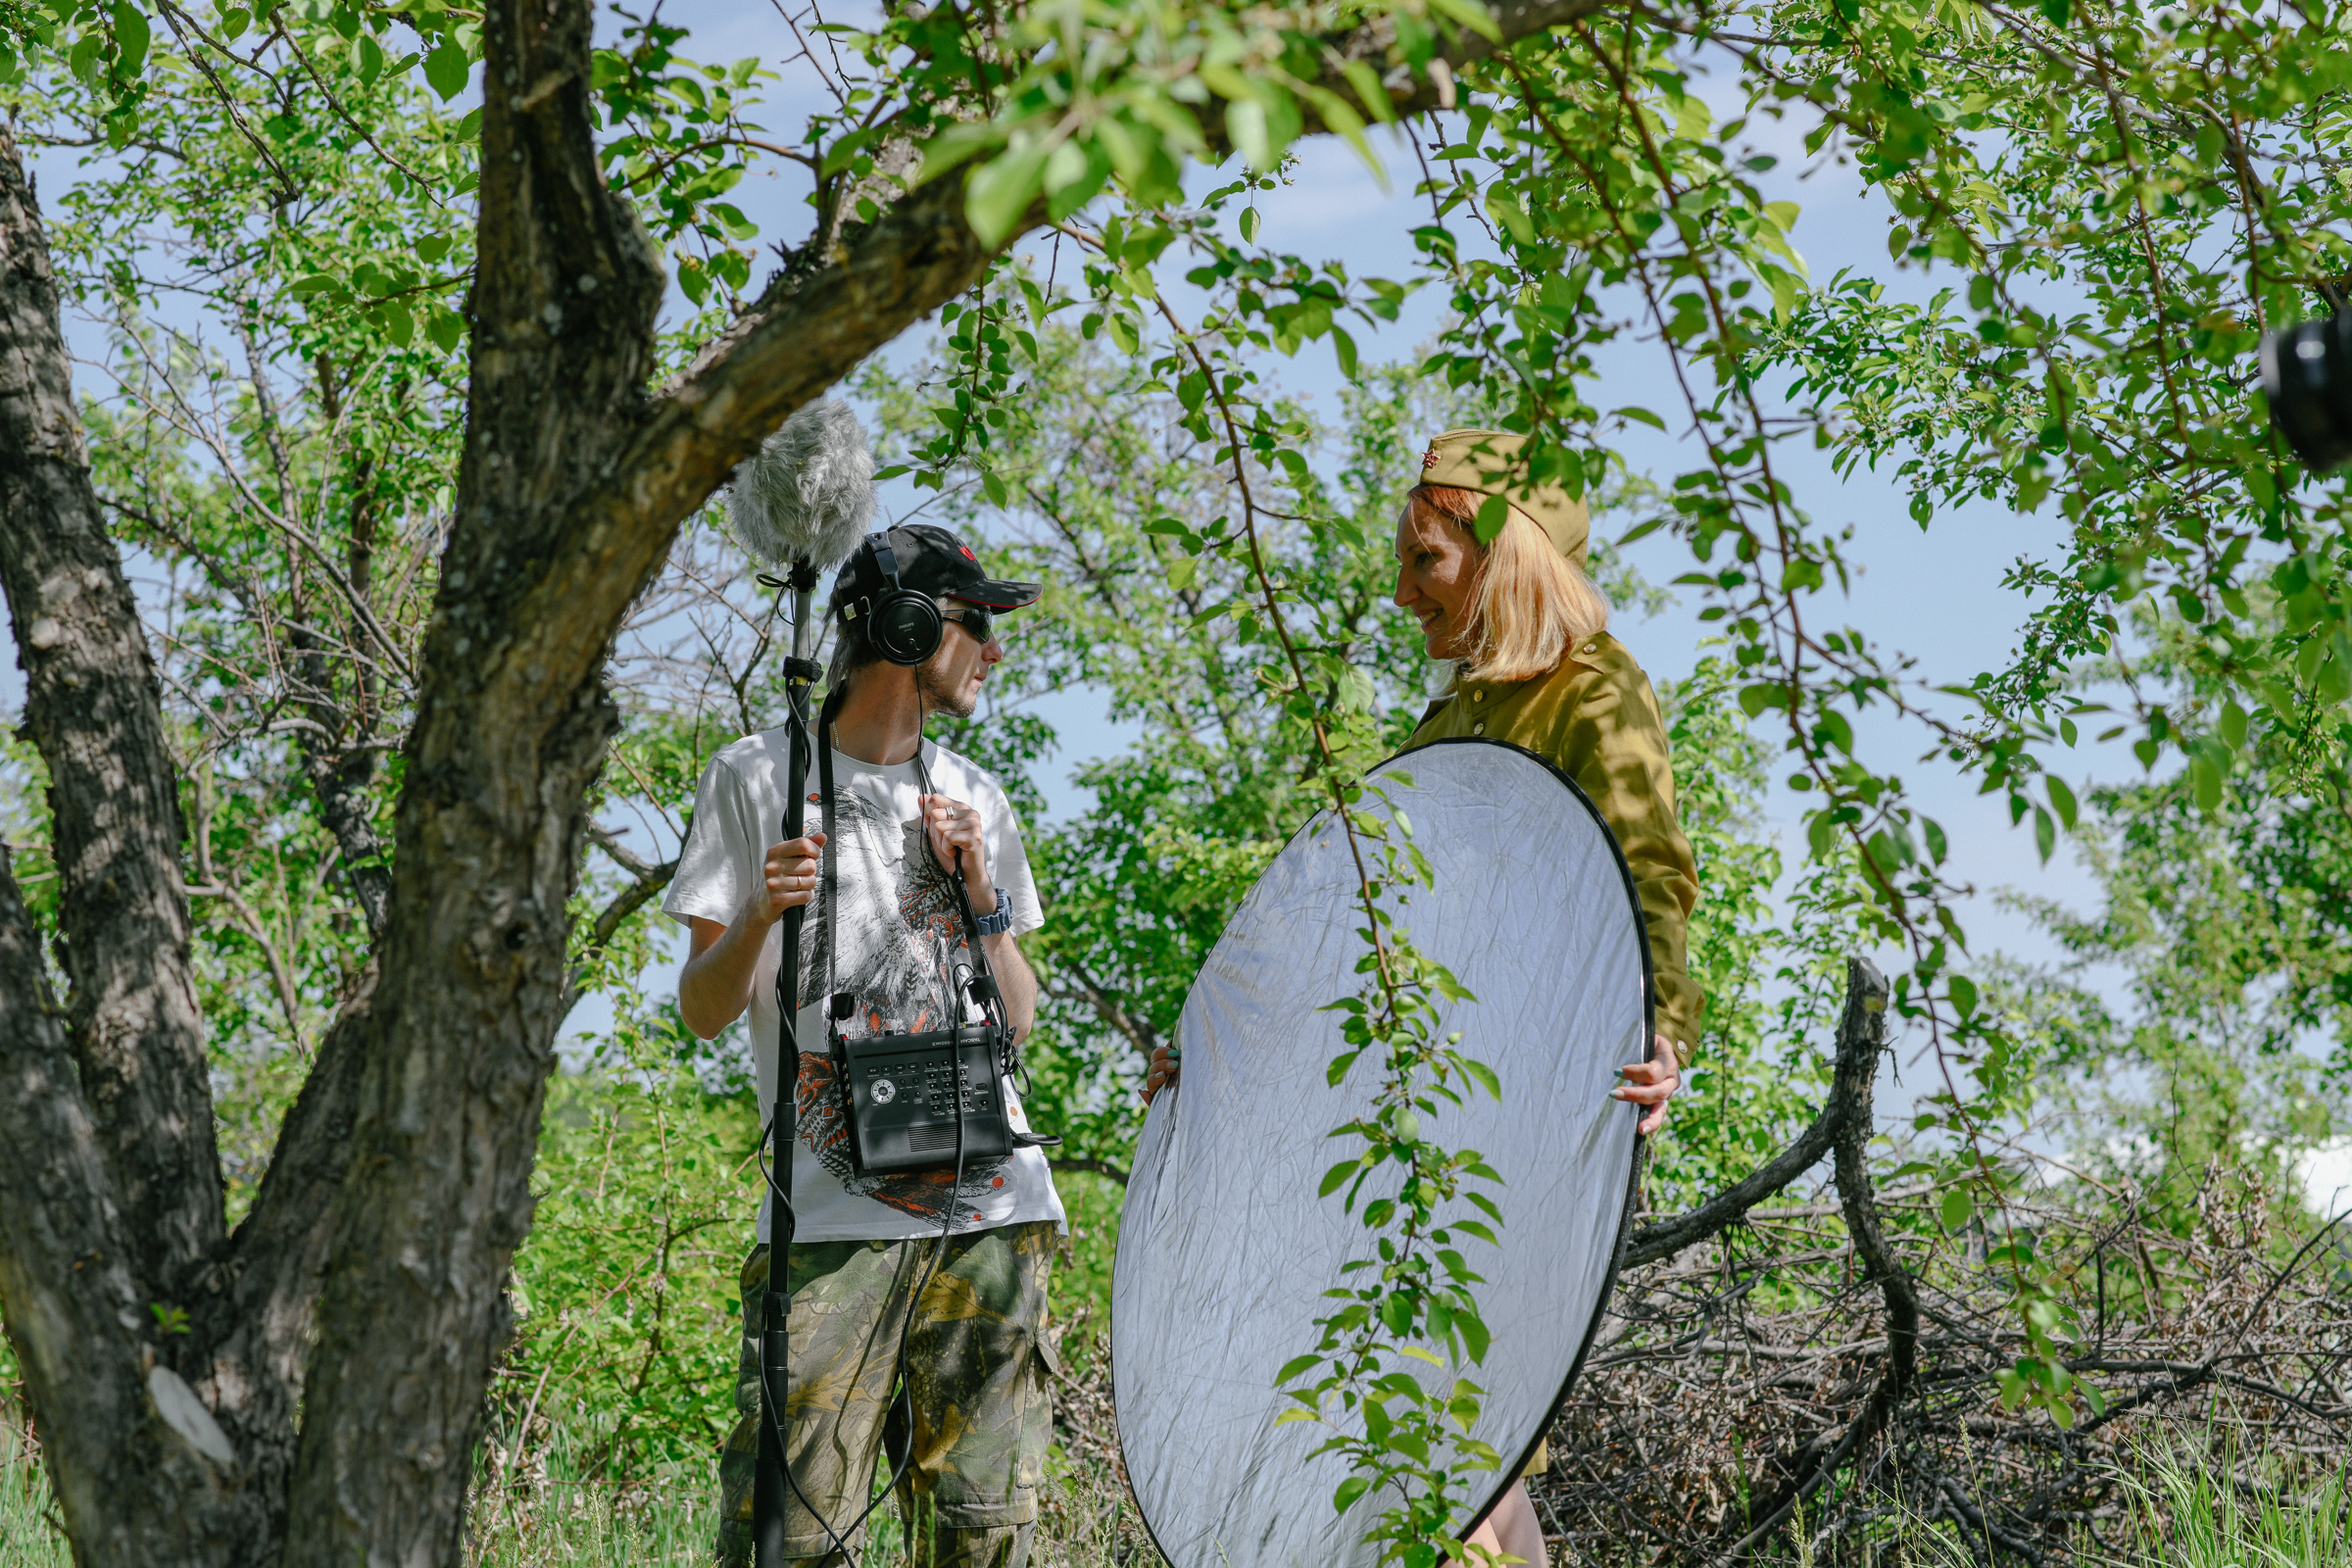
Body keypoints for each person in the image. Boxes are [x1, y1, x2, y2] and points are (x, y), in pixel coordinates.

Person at [1141, 429, 1702, 1568]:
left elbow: (1650, 877)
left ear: (1502, 560)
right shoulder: (1453, 720)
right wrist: (1222, 1058)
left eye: (1424, 560)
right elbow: (1367, 932)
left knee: (1455, 1437)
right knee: (1438, 1438)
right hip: (1418, 1121)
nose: (1401, 594)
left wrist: (1664, 1033)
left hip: (1513, 1123)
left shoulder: (1593, 692)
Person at [667, 522, 1063, 1568]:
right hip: (832, 1219)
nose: (996, 651)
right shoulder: (755, 778)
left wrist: (980, 896)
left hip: (991, 1213)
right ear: (910, 626)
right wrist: (759, 912)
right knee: (787, 1537)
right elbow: (703, 1008)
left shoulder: (976, 795)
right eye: (980, 625)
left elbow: (1019, 1016)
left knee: (982, 1540)